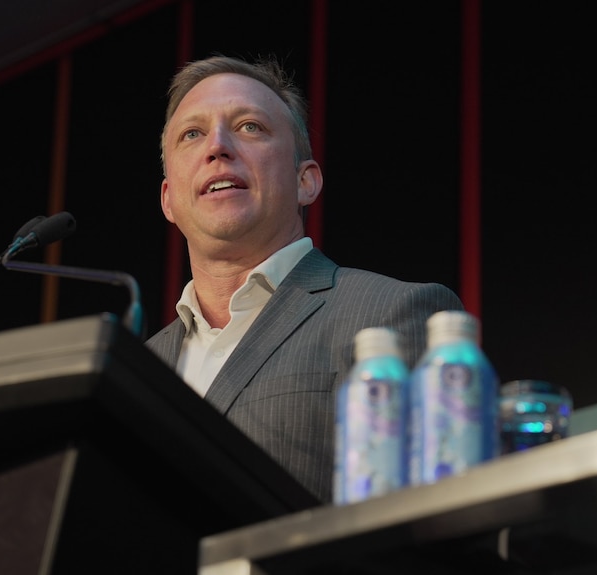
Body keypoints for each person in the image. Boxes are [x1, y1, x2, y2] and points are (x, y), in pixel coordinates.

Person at [145, 54, 464, 503]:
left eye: (249, 126)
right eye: (192, 134)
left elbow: (435, 525)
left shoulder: (392, 315)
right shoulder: (139, 367)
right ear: (169, 200)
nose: (216, 146)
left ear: (306, 182)